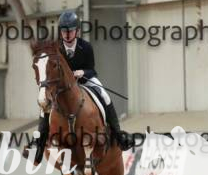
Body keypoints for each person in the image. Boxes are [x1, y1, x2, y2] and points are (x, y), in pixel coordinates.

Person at [24, 10, 134, 164]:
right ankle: (38, 145)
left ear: (77, 31)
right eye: (64, 31)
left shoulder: (86, 47)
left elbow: (92, 70)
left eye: (70, 31)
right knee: (45, 107)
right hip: (64, 86)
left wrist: (82, 72)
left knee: (104, 95)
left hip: (84, 80)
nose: (67, 34)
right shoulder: (57, 49)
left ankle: (118, 134)